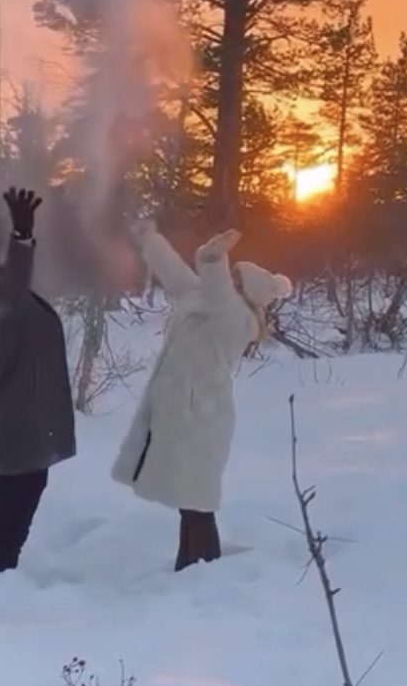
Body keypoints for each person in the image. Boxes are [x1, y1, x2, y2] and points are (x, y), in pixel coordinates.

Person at [113, 220, 292, 570]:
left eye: (236, 279)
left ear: (244, 292)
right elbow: (175, 274)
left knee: (197, 500)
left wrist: (212, 256)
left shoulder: (235, 316)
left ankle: (202, 568)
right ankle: (192, 566)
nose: (230, 280)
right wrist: (150, 238)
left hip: (205, 415)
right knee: (190, 498)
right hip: (186, 410)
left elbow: (213, 280)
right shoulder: (206, 301)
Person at [0, 185, 75, 572]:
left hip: (8, 432)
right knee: (13, 518)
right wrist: (22, 235)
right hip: (19, 432)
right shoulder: (3, 305)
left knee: (1, 510)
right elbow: (16, 272)